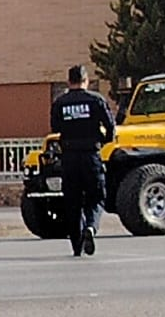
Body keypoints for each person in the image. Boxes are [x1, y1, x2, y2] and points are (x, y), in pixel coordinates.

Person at [50, 64, 116, 257]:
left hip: (69, 157)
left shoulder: (60, 102)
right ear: (86, 81)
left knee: (72, 202)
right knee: (96, 197)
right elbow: (110, 128)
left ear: (69, 81)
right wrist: (101, 141)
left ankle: (76, 246)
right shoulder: (96, 100)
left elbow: (54, 127)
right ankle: (91, 227)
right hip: (91, 155)